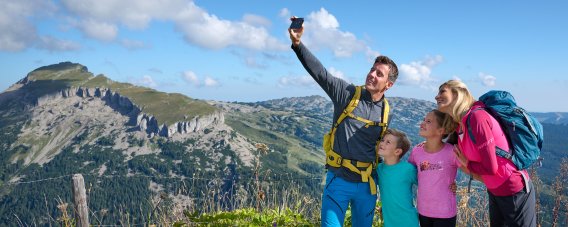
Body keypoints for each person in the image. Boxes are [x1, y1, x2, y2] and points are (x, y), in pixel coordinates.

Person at [288, 18, 399, 226]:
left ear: (389, 84)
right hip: (338, 180)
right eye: (372, 69)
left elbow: (383, 149)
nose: (372, 74)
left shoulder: (386, 112)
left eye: (379, 73)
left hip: (367, 185)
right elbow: (321, 74)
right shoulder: (347, 94)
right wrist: (297, 45)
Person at [436, 79, 536, 227]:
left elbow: (491, 168)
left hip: (514, 190)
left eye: (442, 91)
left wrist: (468, 165)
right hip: (495, 191)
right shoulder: (461, 124)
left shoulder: (477, 117)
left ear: (458, 93)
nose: (436, 96)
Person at [408, 109, 461, 227]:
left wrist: (453, 183)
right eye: (423, 120)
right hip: (423, 210)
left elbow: (469, 169)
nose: (422, 123)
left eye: (428, 121)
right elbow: (409, 174)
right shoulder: (416, 151)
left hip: (445, 213)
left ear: (440, 130)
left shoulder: (452, 152)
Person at [376, 128, 418, 227]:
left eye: (388, 142)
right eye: (382, 140)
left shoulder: (408, 169)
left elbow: (426, 184)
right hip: (389, 222)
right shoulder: (378, 169)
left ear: (397, 151)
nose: (382, 143)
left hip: (409, 221)